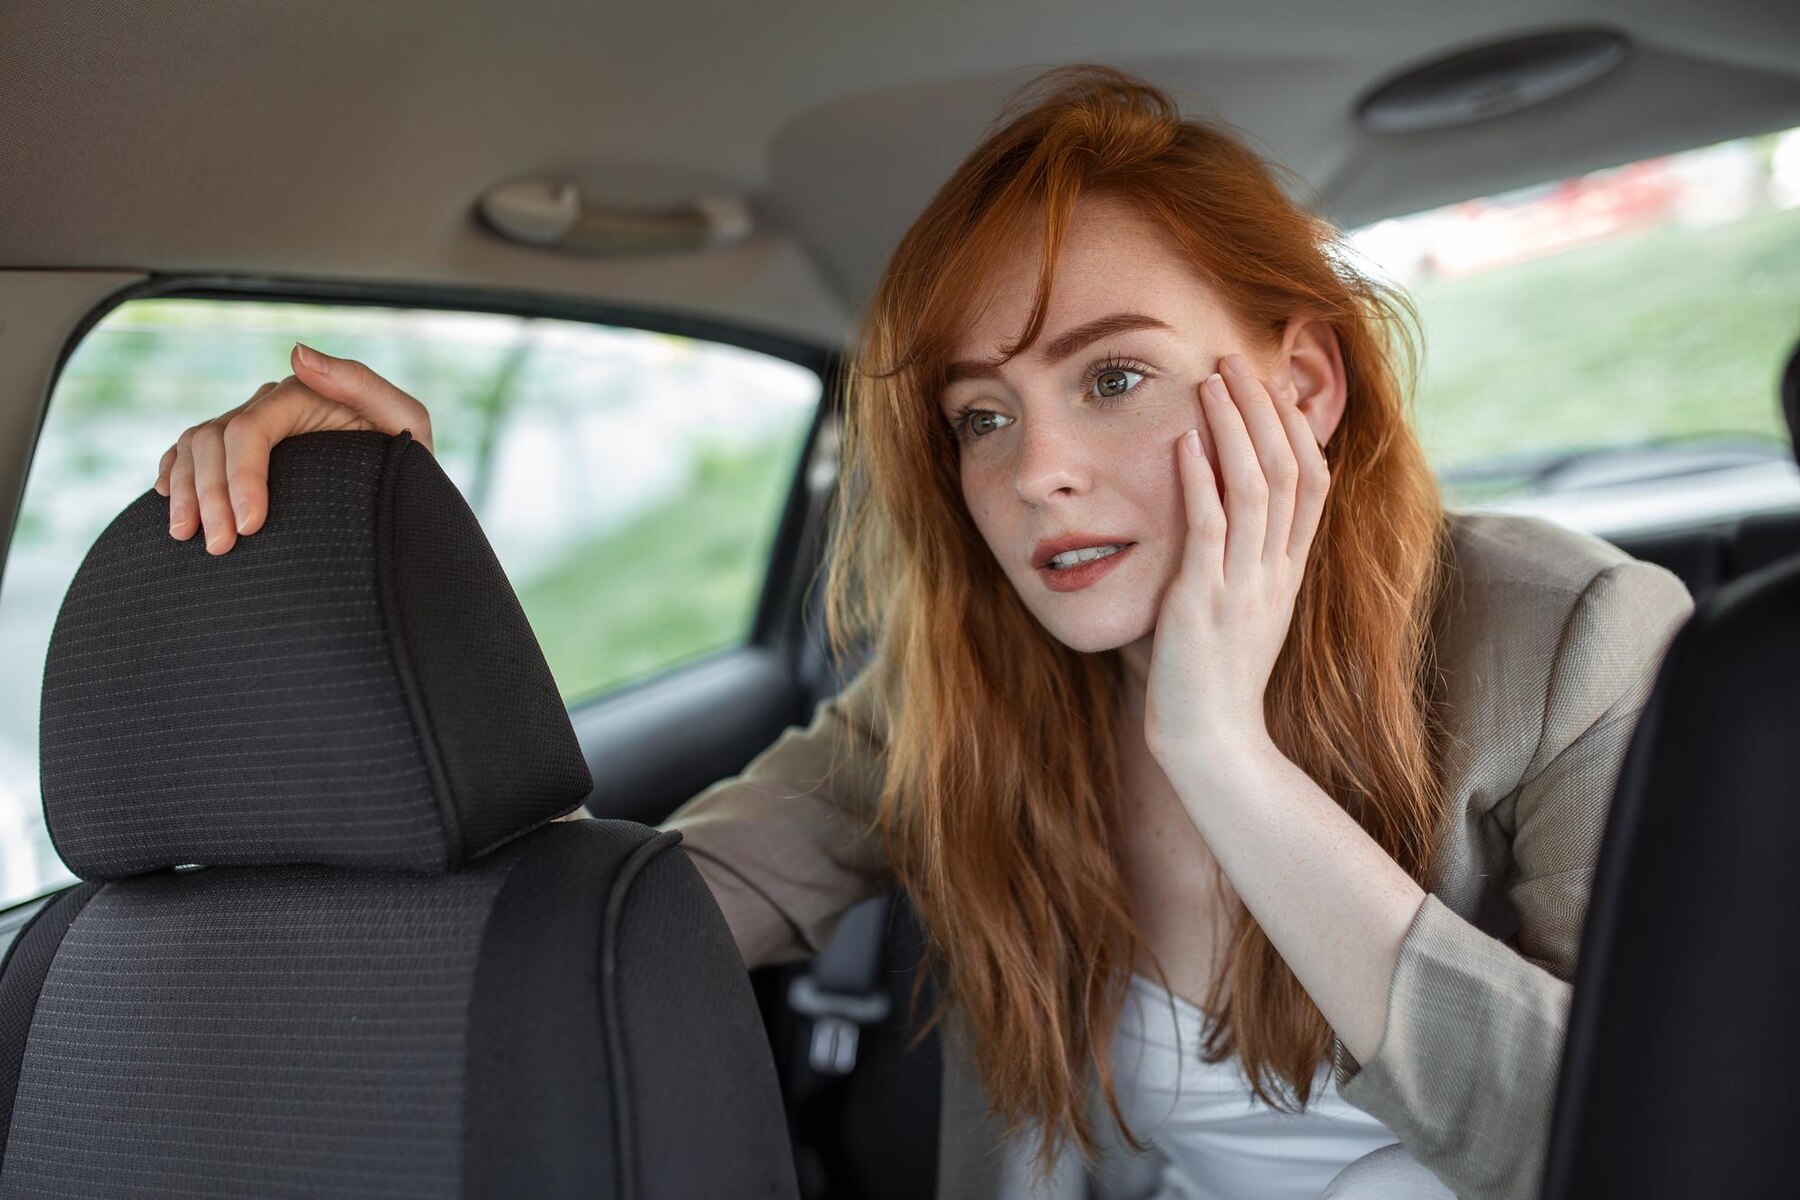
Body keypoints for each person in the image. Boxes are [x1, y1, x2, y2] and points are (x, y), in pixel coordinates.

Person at [151, 66, 1693, 1200]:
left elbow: (1636, 1142)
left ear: (1300, 388)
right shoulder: (951, 701)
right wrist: (393, 554)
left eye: (1114, 377)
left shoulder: (1570, 645)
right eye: (980, 414)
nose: (1035, 474)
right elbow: (616, 940)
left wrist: (1223, 754)